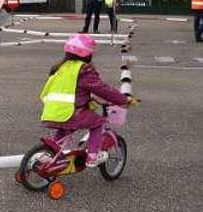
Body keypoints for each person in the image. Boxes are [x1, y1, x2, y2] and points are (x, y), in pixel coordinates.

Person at [39, 34, 138, 167]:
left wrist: (88, 98)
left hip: (51, 111)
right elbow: (102, 89)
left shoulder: (60, 67)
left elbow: (70, 89)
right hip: (71, 112)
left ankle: (49, 154)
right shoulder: (83, 69)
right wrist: (123, 99)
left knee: (64, 129)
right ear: (86, 54)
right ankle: (92, 156)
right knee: (98, 123)